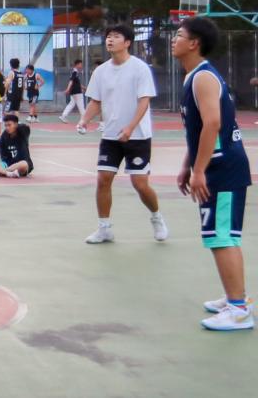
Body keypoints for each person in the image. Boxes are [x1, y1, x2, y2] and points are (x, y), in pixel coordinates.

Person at [173, 17, 253, 330]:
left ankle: (239, 310)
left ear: (194, 43)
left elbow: (213, 124)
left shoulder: (203, 78)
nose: (174, 39)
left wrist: (199, 171)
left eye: (180, 35)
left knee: (222, 237)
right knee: (219, 235)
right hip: (216, 165)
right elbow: (197, 131)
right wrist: (187, 164)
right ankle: (236, 297)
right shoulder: (193, 76)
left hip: (223, 166)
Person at [78, 25, 168, 245]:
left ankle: (156, 217)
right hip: (110, 136)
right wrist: (84, 120)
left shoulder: (139, 68)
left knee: (140, 184)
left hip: (137, 136)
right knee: (103, 180)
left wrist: (130, 127)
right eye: (108, 36)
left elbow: (144, 101)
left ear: (127, 42)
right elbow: (96, 101)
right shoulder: (101, 71)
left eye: (116, 36)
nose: (110, 40)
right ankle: (104, 229)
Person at [60, 59, 86, 123]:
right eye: (80, 64)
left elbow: (77, 83)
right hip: (77, 92)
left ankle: (63, 116)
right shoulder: (74, 72)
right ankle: (84, 119)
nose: (81, 65)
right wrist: (68, 89)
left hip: (74, 92)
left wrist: (84, 88)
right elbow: (71, 81)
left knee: (71, 104)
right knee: (81, 105)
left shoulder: (75, 72)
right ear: (77, 65)